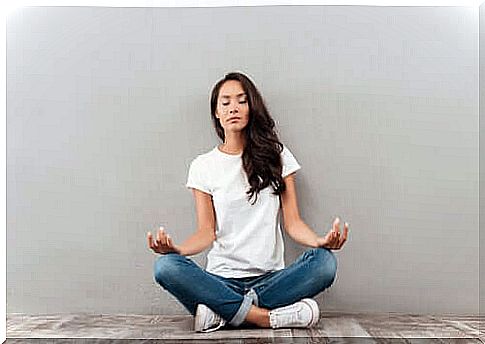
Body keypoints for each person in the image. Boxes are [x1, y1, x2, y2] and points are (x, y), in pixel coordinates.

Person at [147, 71, 349, 333]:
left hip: (272, 281)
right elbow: (206, 232)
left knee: (324, 263)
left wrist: (320, 242)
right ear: (216, 113)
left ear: (252, 107)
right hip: (219, 281)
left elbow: (294, 222)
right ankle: (266, 318)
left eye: (242, 101)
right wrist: (177, 250)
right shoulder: (203, 166)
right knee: (166, 266)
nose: (234, 108)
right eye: (226, 102)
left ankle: (223, 313)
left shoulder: (277, 155)